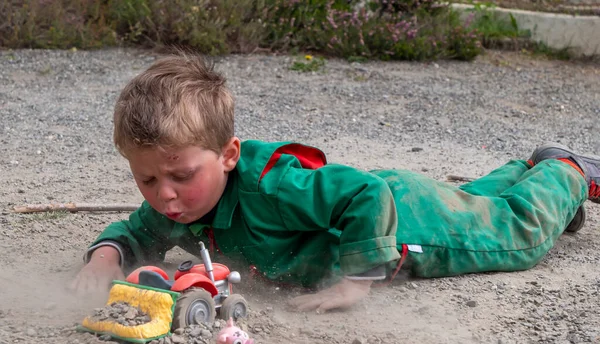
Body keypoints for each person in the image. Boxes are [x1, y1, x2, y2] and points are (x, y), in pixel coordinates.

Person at [70, 51, 600, 313]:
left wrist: (356, 279)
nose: (164, 194)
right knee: (477, 201)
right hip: (386, 199)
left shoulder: (272, 187)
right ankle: (525, 170)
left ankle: (567, 170)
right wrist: (105, 258)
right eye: (146, 178)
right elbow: (135, 230)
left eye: (182, 176)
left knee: (518, 234)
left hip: (407, 220)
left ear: (229, 155)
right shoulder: (177, 203)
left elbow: (366, 195)